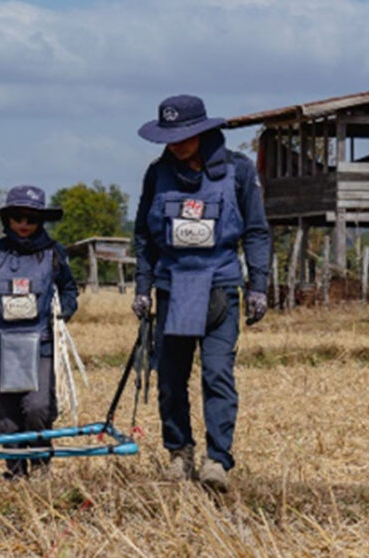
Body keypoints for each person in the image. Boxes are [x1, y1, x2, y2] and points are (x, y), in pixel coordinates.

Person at [132, 95, 271, 492]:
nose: (176, 143)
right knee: (171, 379)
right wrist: (143, 287)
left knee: (217, 374)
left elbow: (257, 231)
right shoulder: (157, 174)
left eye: (185, 135)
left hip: (221, 287)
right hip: (173, 287)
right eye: (169, 136)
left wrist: (258, 285)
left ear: (203, 130)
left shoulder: (239, 172)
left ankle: (217, 460)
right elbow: (144, 235)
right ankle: (180, 453)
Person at [0, 185, 79, 480]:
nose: (24, 225)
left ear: (41, 222)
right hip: (3, 344)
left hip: (42, 342)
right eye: (18, 218)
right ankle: (15, 472)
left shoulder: (54, 253)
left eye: (31, 219)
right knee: (8, 417)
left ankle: (40, 468)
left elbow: (69, 288)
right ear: (7, 219)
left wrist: (65, 308)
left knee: (38, 408)